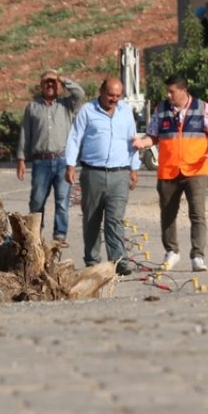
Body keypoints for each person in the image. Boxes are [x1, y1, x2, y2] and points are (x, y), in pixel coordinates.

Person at [142, 74, 208, 272]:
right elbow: (152, 137)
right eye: (167, 91)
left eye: (172, 91)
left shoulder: (203, 108)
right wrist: (141, 143)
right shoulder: (160, 110)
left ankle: (198, 256)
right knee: (168, 214)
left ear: (184, 90)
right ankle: (172, 251)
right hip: (168, 170)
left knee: (197, 213)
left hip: (196, 169)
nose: (168, 95)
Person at [65, 78, 144, 275]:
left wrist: (134, 169)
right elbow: (75, 138)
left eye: (118, 96)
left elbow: (132, 140)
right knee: (92, 219)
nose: (114, 100)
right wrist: (70, 165)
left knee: (114, 219)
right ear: (101, 91)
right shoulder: (87, 111)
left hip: (119, 174)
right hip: (93, 173)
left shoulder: (125, 111)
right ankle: (92, 260)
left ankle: (119, 261)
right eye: (110, 95)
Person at [16, 69, 85, 248]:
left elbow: (80, 93)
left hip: (63, 160)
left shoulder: (67, 105)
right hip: (41, 161)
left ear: (59, 85)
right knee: (37, 200)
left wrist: (62, 78)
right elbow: (25, 133)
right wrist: (21, 159)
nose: (50, 85)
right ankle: (35, 234)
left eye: (53, 82)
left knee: (62, 201)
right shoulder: (33, 107)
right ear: (40, 85)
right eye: (47, 82)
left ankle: (59, 235)